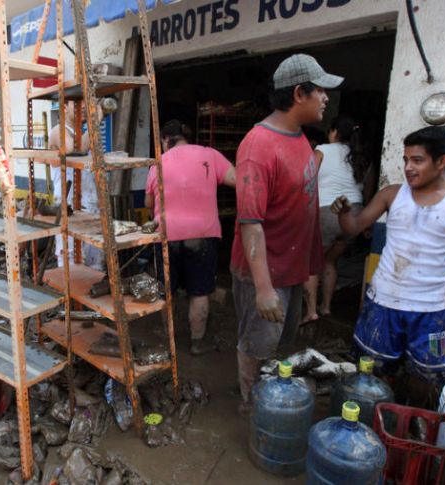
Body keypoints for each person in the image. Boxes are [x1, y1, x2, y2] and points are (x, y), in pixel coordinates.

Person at [330, 126, 445, 406]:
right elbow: (355, 228)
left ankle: (413, 423)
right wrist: (345, 214)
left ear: (441, 161)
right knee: (372, 372)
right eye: (405, 159)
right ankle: (377, 418)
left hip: (432, 314)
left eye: (417, 160)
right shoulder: (392, 194)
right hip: (383, 306)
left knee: (429, 377)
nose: (408, 167)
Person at [230, 53, 343, 414]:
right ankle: (251, 406)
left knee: (280, 341)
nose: (326, 98)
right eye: (321, 91)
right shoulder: (258, 146)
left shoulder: (301, 139)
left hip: (292, 268)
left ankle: (268, 395)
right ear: (299, 93)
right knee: (257, 344)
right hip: (266, 271)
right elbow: (251, 223)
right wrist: (263, 288)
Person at [145, 120, 236, 355]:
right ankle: (197, 342)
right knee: (199, 292)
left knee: (167, 292)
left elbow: (149, 204)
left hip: (166, 234)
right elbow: (238, 180)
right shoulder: (210, 155)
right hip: (203, 235)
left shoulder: (157, 164)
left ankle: (168, 340)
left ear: (166, 140)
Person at [303, 115, 370, 322]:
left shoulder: (322, 150)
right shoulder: (361, 156)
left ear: (334, 132)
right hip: (354, 213)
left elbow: (306, 179)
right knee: (330, 261)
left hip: (328, 210)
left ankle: (311, 311)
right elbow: (367, 191)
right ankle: (326, 308)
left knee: (312, 264)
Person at [48, 100, 104, 269]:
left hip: (90, 208)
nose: (84, 107)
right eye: (77, 103)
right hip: (70, 209)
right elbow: (74, 150)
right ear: (64, 107)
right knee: (71, 263)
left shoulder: (84, 133)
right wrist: (96, 121)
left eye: (86, 102)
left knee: (96, 264)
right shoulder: (58, 131)